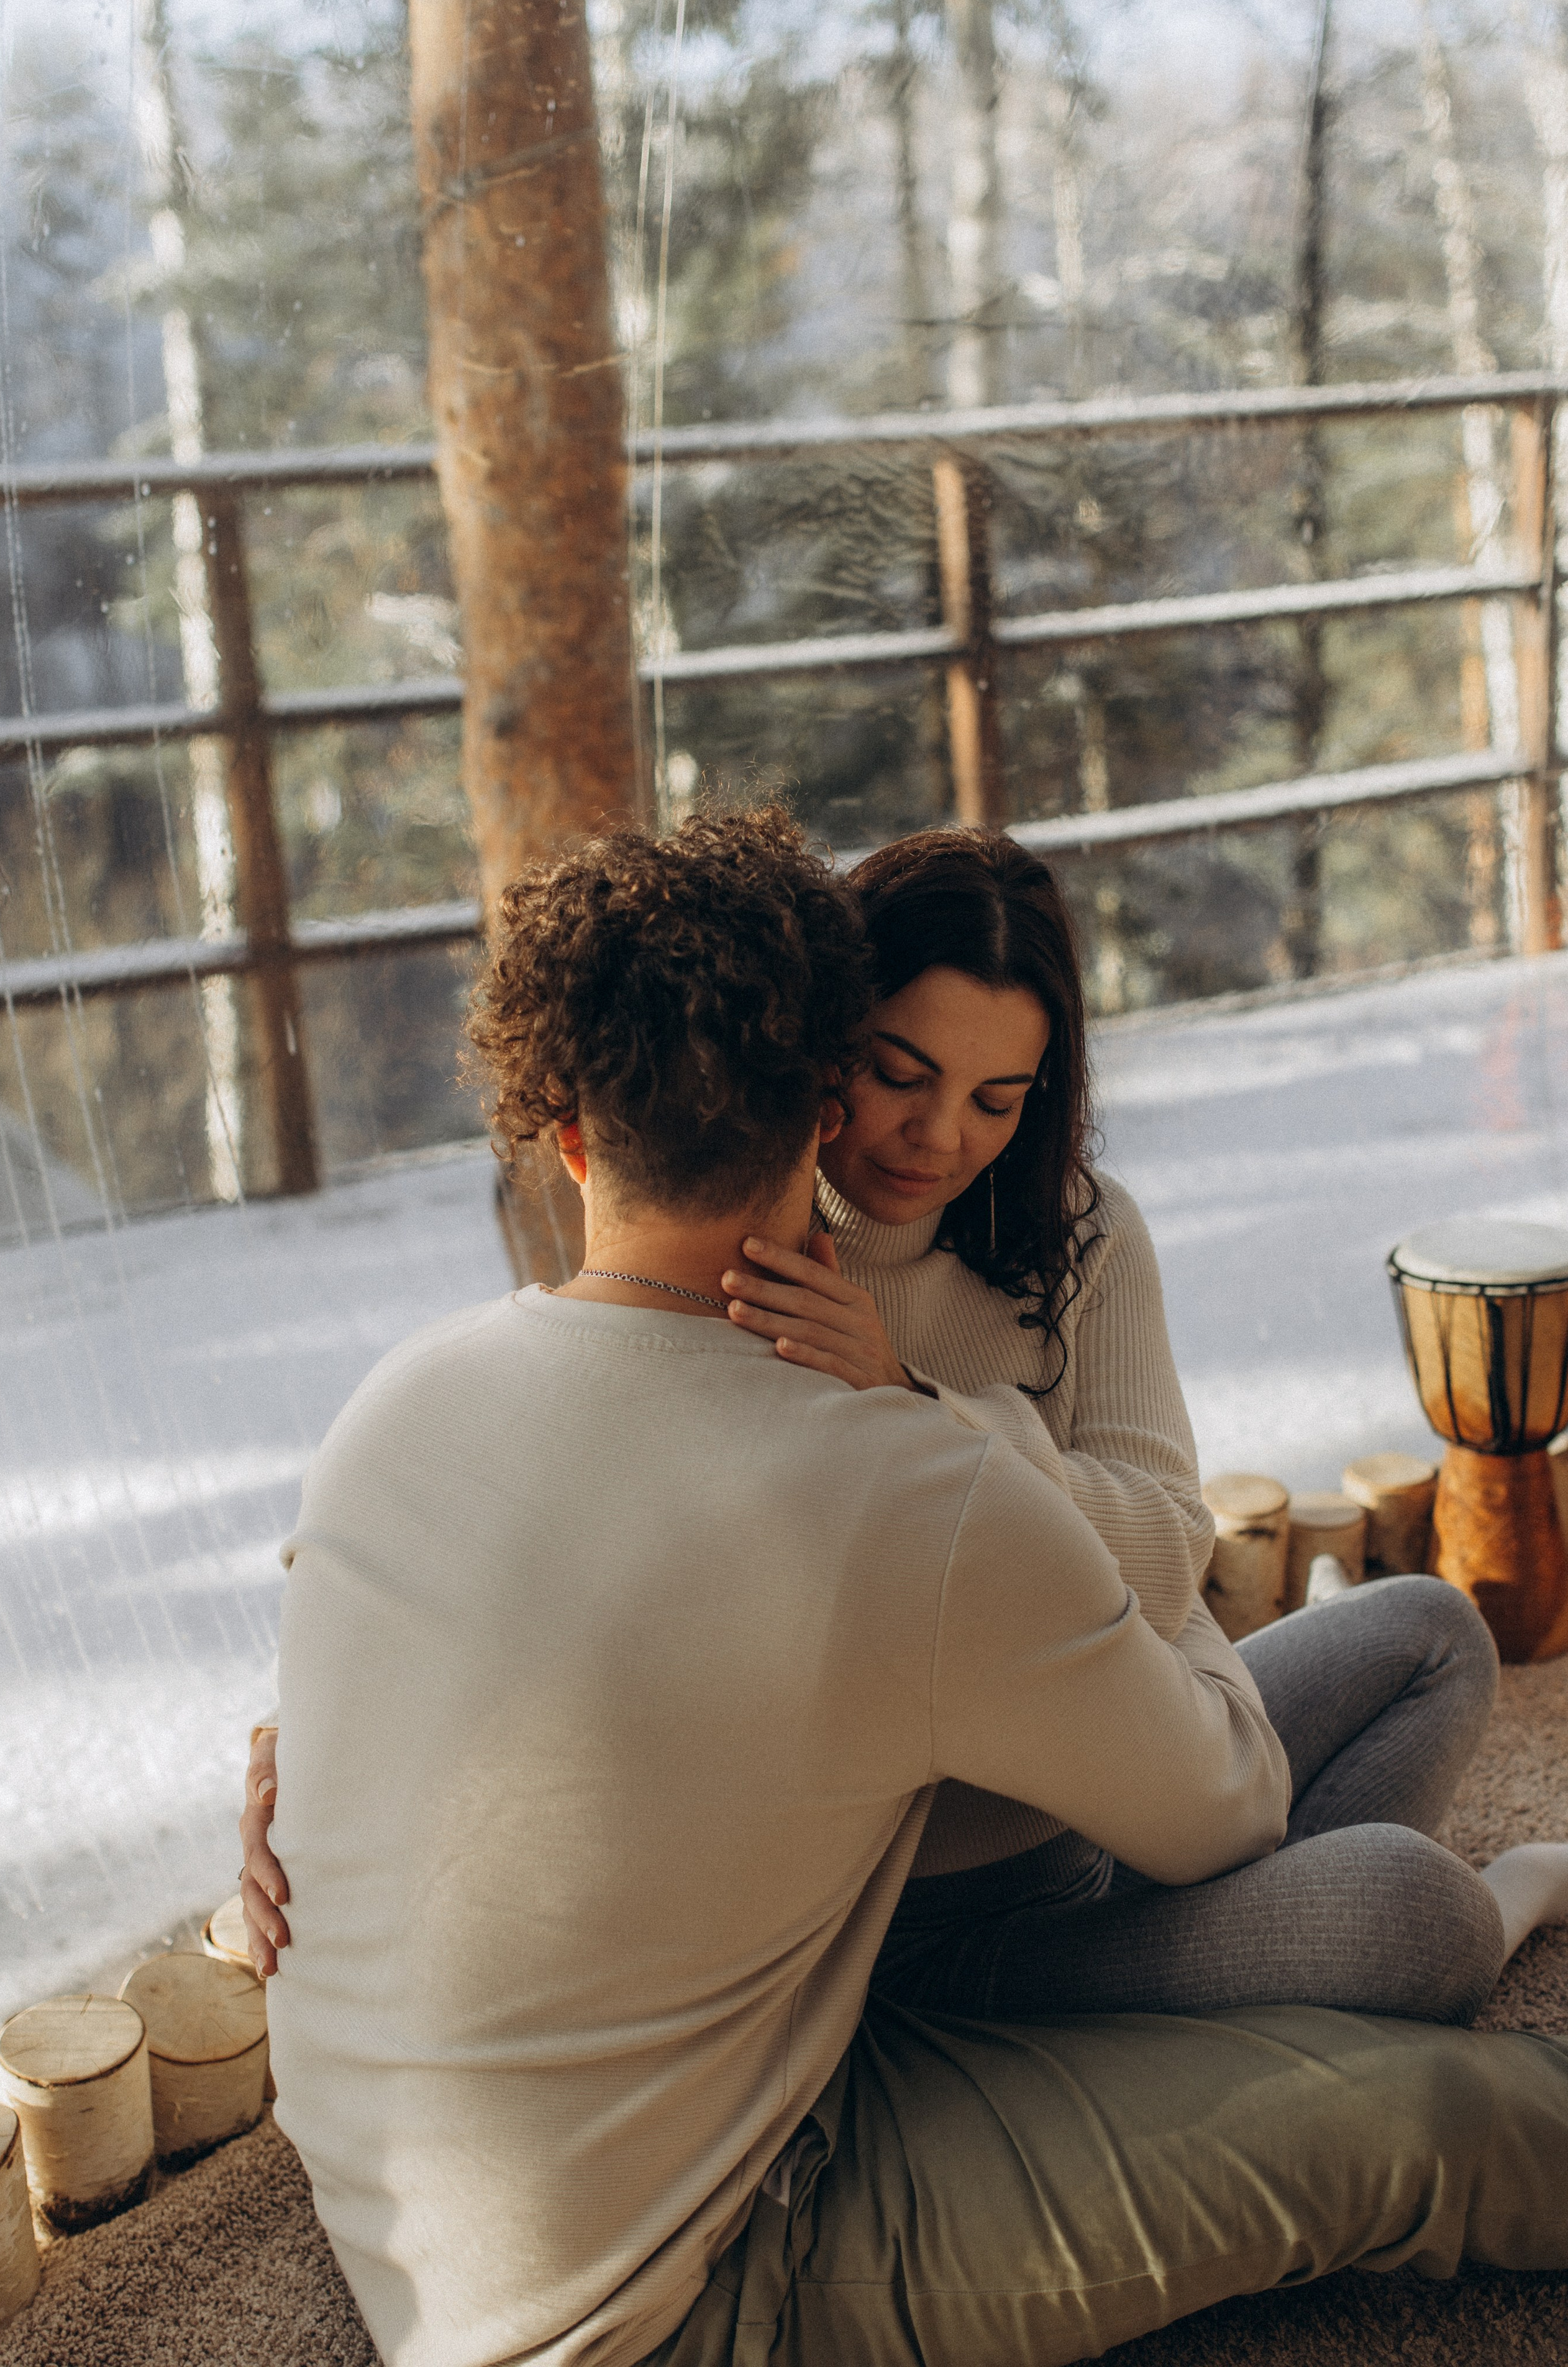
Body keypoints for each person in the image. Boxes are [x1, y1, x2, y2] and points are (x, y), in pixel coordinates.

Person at [250, 806, 1568, 2367]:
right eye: (894, 1075)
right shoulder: (898, 1490)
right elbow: (1220, 1800)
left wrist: (295, 1772)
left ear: (569, 1135)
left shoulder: (399, 1401)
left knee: (1400, 1690)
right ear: (820, 1106)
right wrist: (1089, 1564)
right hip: (675, 2276)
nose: (935, 1135)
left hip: (411, 2211)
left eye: (993, 1097)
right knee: (1435, 2113)